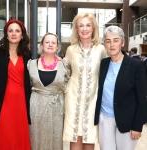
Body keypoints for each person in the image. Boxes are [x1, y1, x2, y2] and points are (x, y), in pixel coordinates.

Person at [94, 26, 146, 150]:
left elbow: (142, 97)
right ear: (105, 44)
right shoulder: (104, 63)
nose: (112, 44)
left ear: (122, 43)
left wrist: (137, 126)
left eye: (116, 40)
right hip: (105, 118)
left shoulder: (136, 65)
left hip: (127, 120)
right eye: (108, 41)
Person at [63, 12, 107, 150]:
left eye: (88, 25)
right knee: (75, 138)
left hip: (92, 101)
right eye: (81, 26)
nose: (84, 29)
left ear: (93, 28)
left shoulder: (101, 49)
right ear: (76, 29)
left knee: (90, 139)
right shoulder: (71, 50)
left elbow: (105, 74)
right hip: (73, 101)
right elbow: (64, 73)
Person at [28, 33, 68, 150]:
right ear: (41, 45)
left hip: (57, 108)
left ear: (57, 47)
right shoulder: (31, 64)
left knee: (55, 140)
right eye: (47, 42)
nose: (50, 45)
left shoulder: (65, 64)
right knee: (36, 139)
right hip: (36, 107)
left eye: (53, 42)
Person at [0, 19, 31, 150]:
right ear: (6, 34)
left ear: (22, 35)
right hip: (3, 100)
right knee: (4, 134)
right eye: (10, 31)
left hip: (21, 101)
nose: (14, 33)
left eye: (17, 31)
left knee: (19, 135)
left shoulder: (28, 55)